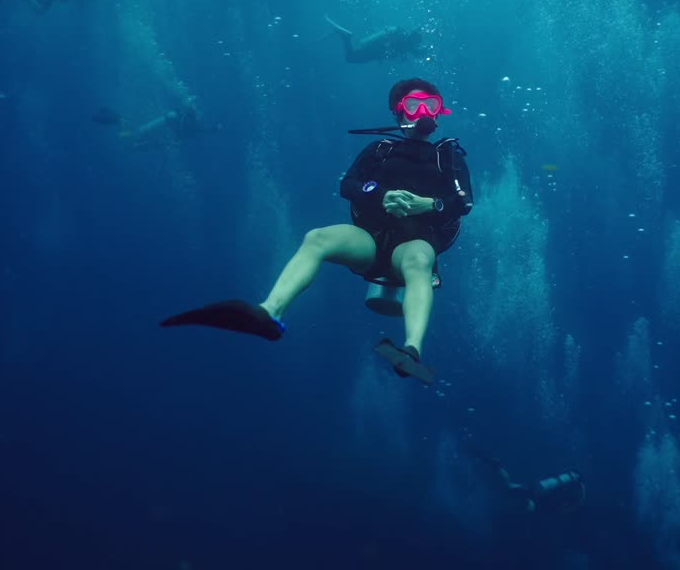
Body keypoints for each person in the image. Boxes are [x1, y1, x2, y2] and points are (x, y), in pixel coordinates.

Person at [160, 78, 474, 384]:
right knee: (317, 238)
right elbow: (348, 185)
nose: (423, 112)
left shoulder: (447, 156)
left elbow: (464, 201)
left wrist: (428, 205)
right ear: (398, 111)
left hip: (415, 245)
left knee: (419, 259)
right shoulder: (381, 149)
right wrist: (381, 195)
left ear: (439, 112)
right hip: (372, 240)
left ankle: (411, 350)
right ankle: (269, 312)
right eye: (414, 105)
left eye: (430, 105)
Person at [324, 15, 423, 63]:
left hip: (375, 50)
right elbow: (393, 47)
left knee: (351, 57)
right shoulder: (406, 44)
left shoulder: (406, 42)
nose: (417, 46)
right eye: (417, 43)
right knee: (350, 57)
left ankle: (346, 36)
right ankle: (346, 36)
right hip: (375, 50)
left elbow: (398, 49)